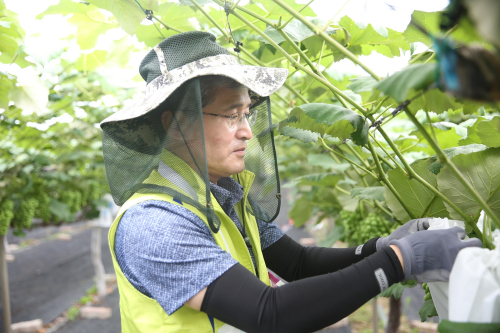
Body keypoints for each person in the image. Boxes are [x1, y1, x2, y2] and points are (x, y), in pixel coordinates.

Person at [100, 32, 482, 333]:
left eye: (247, 113)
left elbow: (298, 262)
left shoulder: (220, 198)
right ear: (175, 124)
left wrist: (380, 247)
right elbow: (269, 315)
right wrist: (399, 261)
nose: (248, 132)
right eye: (232, 115)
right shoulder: (154, 222)